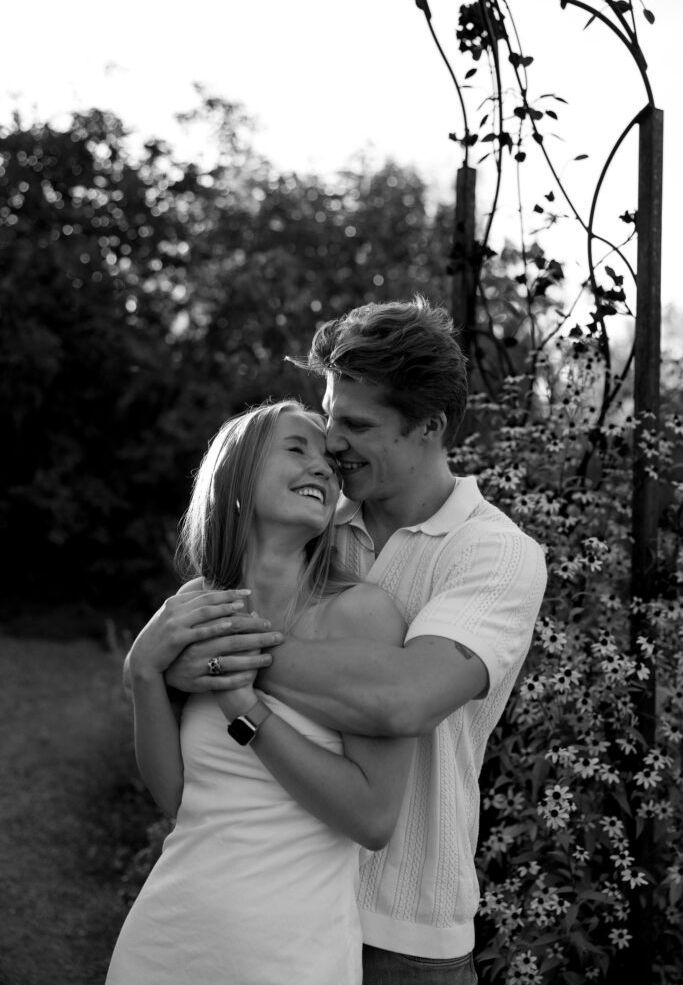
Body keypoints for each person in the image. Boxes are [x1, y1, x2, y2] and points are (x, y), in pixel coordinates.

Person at [131, 297, 547, 984]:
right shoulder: (312, 525)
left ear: (428, 429)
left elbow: (400, 701)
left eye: (355, 425)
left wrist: (222, 663)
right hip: (264, 905)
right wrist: (153, 669)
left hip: (401, 934)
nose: (331, 443)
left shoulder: (494, 554)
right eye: (327, 420)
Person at [108, 400, 414, 985]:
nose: (323, 468)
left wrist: (245, 708)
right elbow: (178, 799)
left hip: (290, 953)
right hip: (166, 939)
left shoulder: (362, 614)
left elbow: (372, 820)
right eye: (296, 449)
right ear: (238, 478)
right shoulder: (197, 604)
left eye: (327, 460)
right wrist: (143, 672)